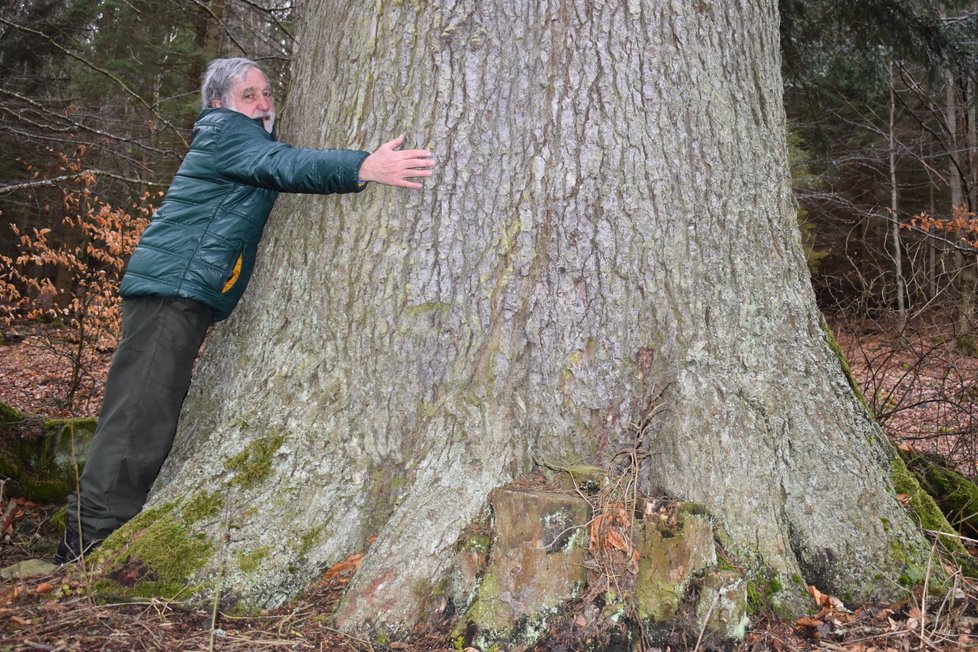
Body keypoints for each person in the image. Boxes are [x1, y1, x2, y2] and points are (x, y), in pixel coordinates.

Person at [56, 57, 435, 563]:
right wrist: (362, 165)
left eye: (266, 93)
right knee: (136, 419)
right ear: (219, 103)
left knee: (146, 414)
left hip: (177, 291)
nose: (262, 104)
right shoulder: (224, 132)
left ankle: (93, 532)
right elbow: (282, 167)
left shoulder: (241, 138)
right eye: (248, 95)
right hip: (170, 291)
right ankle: (83, 546)